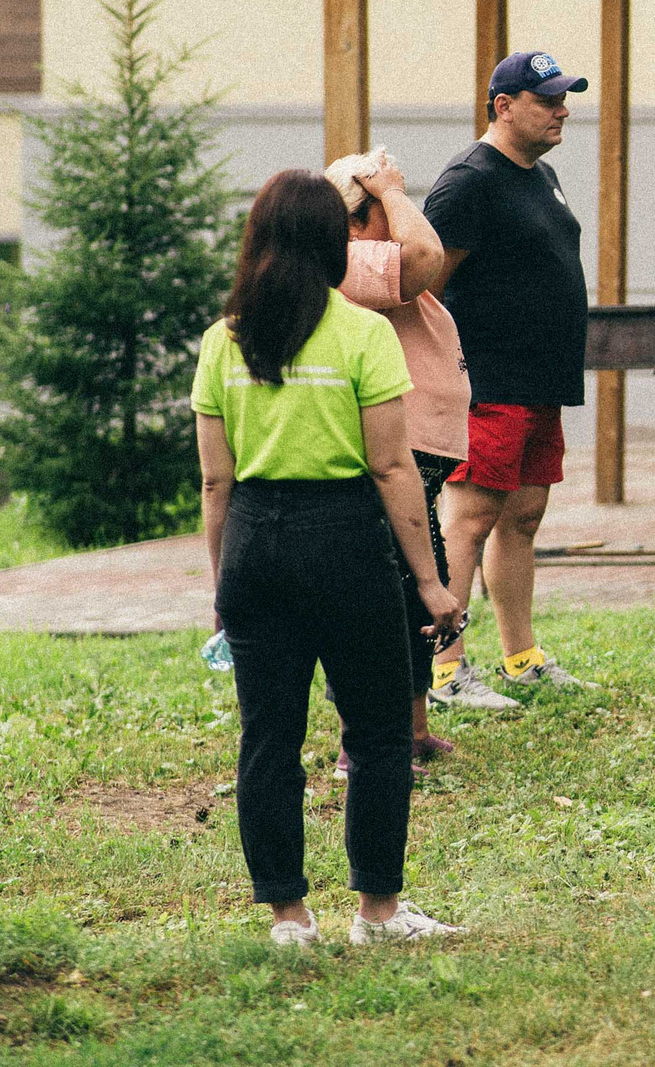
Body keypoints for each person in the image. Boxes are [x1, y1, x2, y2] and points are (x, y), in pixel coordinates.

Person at [194, 170, 466, 947]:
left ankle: (288, 917)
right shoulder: (362, 334)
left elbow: (217, 478)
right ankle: (377, 911)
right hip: (345, 541)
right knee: (380, 732)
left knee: (267, 737)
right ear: (332, 245)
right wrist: (428, 581)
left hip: (253, 539)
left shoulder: (224, 340)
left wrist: (225, 582)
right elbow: (392, 469)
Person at [423, 50, 594, 706]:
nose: (563, 109)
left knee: (522, 514)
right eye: (548, 99)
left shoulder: (540, 173)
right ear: (503, 106)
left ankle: (520, 657)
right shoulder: (469, 180)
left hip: (538, 379)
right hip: (488, 380)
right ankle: (445, 668)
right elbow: (427, 285)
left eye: (564, 97)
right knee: (469, 519)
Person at [324, 151, 466, 773]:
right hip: (395, 451)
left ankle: (410, 731)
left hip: (421, 454)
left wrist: (390, 197)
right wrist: (388, 188)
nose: (404, 212)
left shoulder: (371, 262)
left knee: (413, 590)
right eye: (388, 207)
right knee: (383, 595)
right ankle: (364, 742)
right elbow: (428, 260)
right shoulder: (351, 261)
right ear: (358, 220)